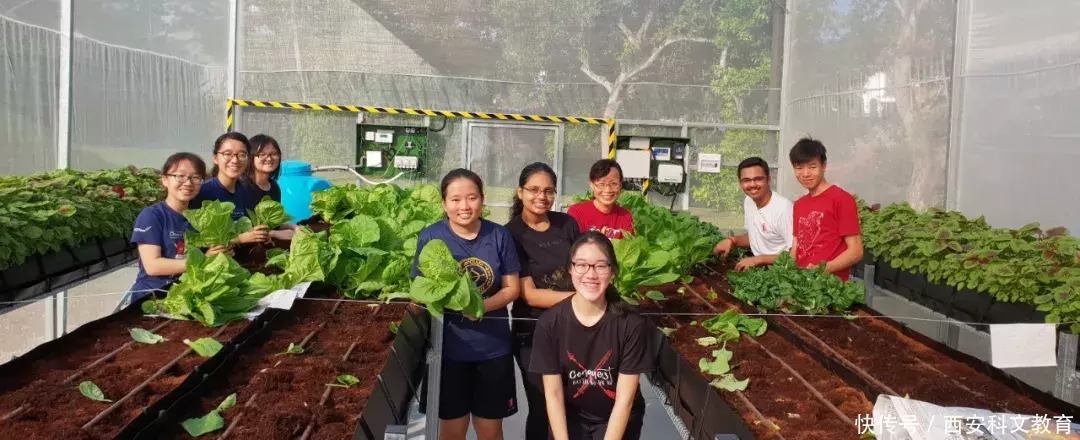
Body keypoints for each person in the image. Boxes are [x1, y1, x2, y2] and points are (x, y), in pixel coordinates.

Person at [412, 169, 522, 440]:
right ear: (444, 204)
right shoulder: (431, 237)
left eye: (472, 198)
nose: (464, 206)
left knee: (490, 431)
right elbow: (418, 290)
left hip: (492, 350)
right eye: (455, 199)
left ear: (482, 200)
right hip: (447, 351)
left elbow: (512, 289)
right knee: (451, 431)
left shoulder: (499, 236)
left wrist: (480, 307)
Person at [530, 231, 653, 440]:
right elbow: (554, 395)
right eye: (582, 265)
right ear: (570, 268)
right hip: (570, 418)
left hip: (616, 420)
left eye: (600, 266)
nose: (590, 274)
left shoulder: (631, 324)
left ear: (612, 271)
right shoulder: (549, 323)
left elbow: (625, 400)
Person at [505, 162, 581, 440]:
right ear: (520, 192)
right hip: (533, 333)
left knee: (573, 404)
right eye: (534, 190)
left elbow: (583, 267)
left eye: (549, 191)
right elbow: (530, 294)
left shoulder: (567, 224)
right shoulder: (511, 234)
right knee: (542, 407)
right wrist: (581, 297)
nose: (542, 197)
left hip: (574, 330)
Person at [125, 153, 229, 305]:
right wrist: (203, 261)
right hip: (153, 296)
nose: (188, 183)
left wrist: (221, 252)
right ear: (165, 179)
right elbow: (153, 266)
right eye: (180, 176)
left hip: (188, 294)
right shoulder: (152, 215)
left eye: (195, 178)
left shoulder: (201, 218)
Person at [787, 137, 864, 281]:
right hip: (802, 283)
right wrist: (787, 274)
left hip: (830, 287)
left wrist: (823, 269)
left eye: (812, 166)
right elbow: (796, 246)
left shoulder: (842, 199)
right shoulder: (799, 204)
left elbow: (856, 251)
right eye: (799, 168)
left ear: (824, 166)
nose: (805, 174)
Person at [713, 156, 794, 271]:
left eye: (758, 179)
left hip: (782, 271)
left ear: (769, 180)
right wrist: (732, 240)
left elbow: (795, 255)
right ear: (740, 183)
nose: (752, 185)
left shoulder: (783, 209)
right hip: (759, 268)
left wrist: (758, 260)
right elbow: (755, 236)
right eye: (746, 180)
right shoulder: (749, 201)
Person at [192, 132, 268, 245]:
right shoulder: (203, 192)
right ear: (215, 158)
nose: (235, 160)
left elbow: (250, 226)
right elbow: (197, 239)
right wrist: (239, 239)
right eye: (228, 154)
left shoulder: (247, 191)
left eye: (242, 155)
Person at [244, 134, 296, 240]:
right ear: (251, 157)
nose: (269, 158)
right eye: (262, 154)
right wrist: (273, 234)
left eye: (274, 154)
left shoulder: (274, 187)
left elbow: (274, 222)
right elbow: (241, 226)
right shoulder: (243, 187)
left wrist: (293, 227)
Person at [566, 159, 634, 239]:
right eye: (601, 184)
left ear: (620, 185)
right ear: (591, 184)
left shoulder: (625, 216)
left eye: (614, 183)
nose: (608, 190)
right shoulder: (577, 213)